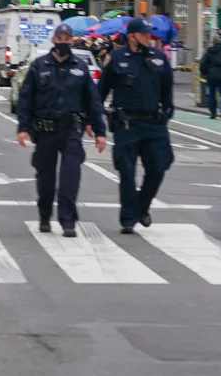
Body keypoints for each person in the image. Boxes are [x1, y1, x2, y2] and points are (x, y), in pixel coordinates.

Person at [16, 24, 107, 237]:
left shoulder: (80, 67)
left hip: (71, 131)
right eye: (61, 38)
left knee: (70, 176)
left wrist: (100, 131)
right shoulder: (39, 66)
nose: (64, 42)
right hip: (45, 131)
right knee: (46, 179)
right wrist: (24, 127)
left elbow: (92, 101)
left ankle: (68, 221)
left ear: (72, 41)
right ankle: (45, 214)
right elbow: (25, 99)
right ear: (54, 40)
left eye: (68, 39)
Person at [98, 18, 175, 234]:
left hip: (154, 123)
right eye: (144, 34)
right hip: (127, 124)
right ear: (132, 37)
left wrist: (165, 116)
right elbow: (100, 92)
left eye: (149, 34)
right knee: (127, 171)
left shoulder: (159, 58)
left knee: (159, 166)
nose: (149, 37)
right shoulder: (117, 58)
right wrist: (96, 122)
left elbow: (167, 92)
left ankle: (142, 205)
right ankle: (128, 218)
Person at [200, 34, 221, 120]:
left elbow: (203, 63)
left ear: (213, 42)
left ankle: (213, 112)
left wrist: (204, 73)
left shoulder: (208, 51)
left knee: (211, 95)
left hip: (211, 76)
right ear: (220, 41)